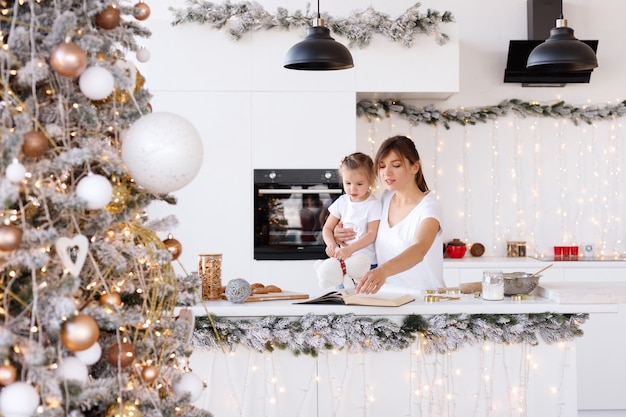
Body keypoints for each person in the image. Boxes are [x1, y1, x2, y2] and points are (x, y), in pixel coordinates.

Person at [334, 136, 444, 294]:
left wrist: (383, 271)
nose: (387, 173)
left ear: (415, 167)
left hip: (424, 298)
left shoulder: (429, 207)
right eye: (382, 166)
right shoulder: (385, 198)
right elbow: (366, 233)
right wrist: (341, 235)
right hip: (387, 297)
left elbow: (419, 249)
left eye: (396, 165)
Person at [322, 152, 381, 269]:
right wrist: (331, 244)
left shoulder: (373, 204)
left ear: (370, 180)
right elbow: (327, 228)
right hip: (343, 262)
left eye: (359, 184)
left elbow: (371, 234)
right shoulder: (342, 202)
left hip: (366, 264)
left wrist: (350, 249)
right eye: (347, 183)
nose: (352, 189)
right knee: (341, 287)